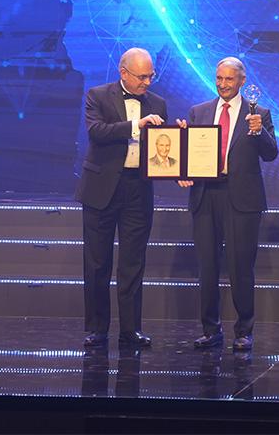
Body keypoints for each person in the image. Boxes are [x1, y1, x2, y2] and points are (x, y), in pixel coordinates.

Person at [178, 57, 278, 351]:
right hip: (205, 196)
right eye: (219, 78)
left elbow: (271, 154)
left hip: (242, 201)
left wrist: (259, 131)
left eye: (229, 79)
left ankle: (244, 331)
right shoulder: (199, 112)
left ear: (242, 81)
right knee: (207, 267)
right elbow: (187, 156)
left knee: (240, 267)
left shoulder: (258, 113)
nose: (222, 84)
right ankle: (211, 330)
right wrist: (180, 172)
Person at [76, 47, 166, 349]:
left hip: (138, 190)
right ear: (123, 72)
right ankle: (97, 328)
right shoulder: (98, 96)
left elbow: (162, 147)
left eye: (150, 76)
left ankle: (131, 329)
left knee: (132, 263)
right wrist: (134, 126)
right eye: (142, 76)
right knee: (97, 263)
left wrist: (181, 147)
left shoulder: (157, 103)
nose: (147, 82)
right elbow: (97, 132)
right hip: (101, 189)